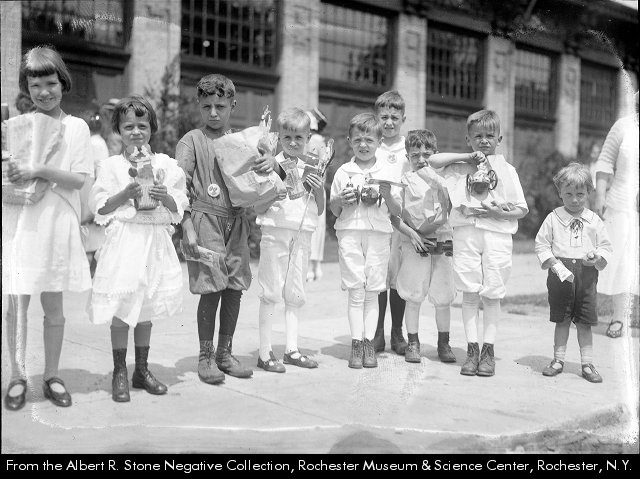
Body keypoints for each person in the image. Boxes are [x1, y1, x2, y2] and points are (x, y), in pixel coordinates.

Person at [3, 46, 93, 410]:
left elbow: (79, 178)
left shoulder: (76, 127)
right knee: (17, 304)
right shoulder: (16, 127)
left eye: (51, 83)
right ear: (27, 87)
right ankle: (17, 375)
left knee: (53, 305)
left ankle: (52, 374)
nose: (44, 92)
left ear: (63, 82)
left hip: (56, 222)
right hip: (21, 223)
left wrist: (38, 170)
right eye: (35, 85)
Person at [177, 74, 277, 383]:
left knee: (234, 286)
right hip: (205, 219)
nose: (213, 113)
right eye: (206, 106)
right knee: (211, 286)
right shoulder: (192, 140)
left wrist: (269, 163)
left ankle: (224, 352)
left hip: (237, 222)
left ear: (233, 105)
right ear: (199, 105)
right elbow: (178, 187)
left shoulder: (243, 141)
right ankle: (205, 356)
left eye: (220, 106)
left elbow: (264, 180)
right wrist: (186, 226)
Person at [88, 95, 187, 402]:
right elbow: (100, 207)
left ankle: (141, 370)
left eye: (142, 126)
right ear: (118, 130)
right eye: (128, 126)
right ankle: (119, 370)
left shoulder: (164, 165)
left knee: (146, 307)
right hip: (126, 242)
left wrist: (163, 195)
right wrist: (124, 194)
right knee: (122, 307)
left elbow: (179, 207)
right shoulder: (111, 166)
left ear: (152, 128)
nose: (135, 132)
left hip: (153, 242)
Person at [429, 109, 528, 377]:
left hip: (497, 234)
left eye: (489, 136)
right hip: (466, 232)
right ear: (469, 139)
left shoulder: (506, 170)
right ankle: (472, 349)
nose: (484, 141)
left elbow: (522, 209)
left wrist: (499, 213)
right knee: (470, 292)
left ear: (499, 139)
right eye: (478, 136)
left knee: (492, 292)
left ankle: (488, 351)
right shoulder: (460, 167)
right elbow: (432, 161)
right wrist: (467, 156)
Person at [255, 108, 325, 372]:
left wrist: (319, 190)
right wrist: (275, 192)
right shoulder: (270, 164)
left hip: (302, 232)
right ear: (279, 137)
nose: (293, 142)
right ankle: (265, 352)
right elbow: (258, 206)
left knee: (295, 292)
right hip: (275, 230)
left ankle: (292, 350)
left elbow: (319, 208)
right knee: (271, 290)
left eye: (299, 137)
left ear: (308, 138)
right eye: (287, 137)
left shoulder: (313, 166)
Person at [329, 112, 401, 369]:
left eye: (369, 140)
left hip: (379, 234)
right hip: (350, 231)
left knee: (372, 291)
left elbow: (397, 210)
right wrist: (340, 200)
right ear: (349, 141)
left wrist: (387, 194)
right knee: (356, 290)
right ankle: (356, 343)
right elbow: (334, 209)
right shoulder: (343, 172)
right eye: (358, 139)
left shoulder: (387, 172)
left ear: (379, 142)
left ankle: (369, 343)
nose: (363, 145)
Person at [535, 163, 612, 382]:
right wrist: (553, 262)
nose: (574, 199)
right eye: (568, 194)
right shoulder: (553, 218)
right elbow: (541, 244)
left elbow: (605, 246)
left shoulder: (594, 220)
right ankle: (558, 360)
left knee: (585, 321)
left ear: (589, 192)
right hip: (560, 274)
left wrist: (597, 257)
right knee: (562, 319)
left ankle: (587, 364)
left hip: (586, 276)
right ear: (560, 192)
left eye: (580, 194)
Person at [391, 130, 457, 363]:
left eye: (427, 154)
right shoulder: (404, 181)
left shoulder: (443, 179)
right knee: (413, 294)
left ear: (435, 154)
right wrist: (412, 234)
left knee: (443, 294)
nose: (421, 159)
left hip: (441, 239)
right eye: (415, 155)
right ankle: (413, 342)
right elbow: (395, 216)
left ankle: (444, 343)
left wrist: (438, 183)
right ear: (407, 157)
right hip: (415, 242)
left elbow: (451, 206)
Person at [594, 91, 639, 338]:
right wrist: (600, 196)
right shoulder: (623, 126)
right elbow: (604, 162)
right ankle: (619, 317)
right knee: (622, 262)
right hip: (621, 203)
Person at [373, 90, 410, 355]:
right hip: (375, 217)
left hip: (400, 219)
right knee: (377, 274)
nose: (388, 122)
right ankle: (377, 333)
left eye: (394, 118)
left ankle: (397, 332)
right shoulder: (371, 144)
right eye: (384, 117)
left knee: (397, 275)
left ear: (403, 119)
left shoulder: (408, 148)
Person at [79, 108, 109, 276]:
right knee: (93, 233)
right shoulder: (100, 142)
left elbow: (99, 170)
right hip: (93, 186)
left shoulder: (93, 143)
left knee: (91, 232)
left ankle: (92, 267)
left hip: (91, 187)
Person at [306, 108, 329, 282]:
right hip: (311, 186)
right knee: (315, 226)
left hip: (313, 186)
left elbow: (323, 166)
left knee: (314, 226)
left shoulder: (316, 140)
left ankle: (313, 265)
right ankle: (314, 266)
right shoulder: (317, 140)